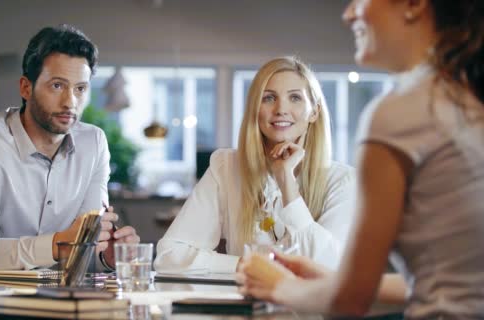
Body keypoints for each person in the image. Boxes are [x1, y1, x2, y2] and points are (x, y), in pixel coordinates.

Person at [239, 0, 484, 318]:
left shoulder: (399, 113)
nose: (348, 13)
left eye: (360, 0)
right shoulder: (464, 99)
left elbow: (349, 302)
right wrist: (333, 280)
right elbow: (452, 281)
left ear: (413, 5)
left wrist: (277, 286)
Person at [154, 56, 356, 274]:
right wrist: (246, 266)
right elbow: (169, 256)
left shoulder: (343, 181)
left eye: (295, 98)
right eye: (269, 98)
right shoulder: (226, 167)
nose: (281, 109)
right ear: (255, 109)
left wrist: (286, 182)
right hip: (241, 305)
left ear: (314, 112)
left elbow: (327, 267)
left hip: (309, 308)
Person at [0, 24, 139, 271]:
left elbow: (86, 247)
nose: (70, 102)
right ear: (26, 88)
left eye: (80, 89)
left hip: (64, 298)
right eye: (57, 85)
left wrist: (106, 258)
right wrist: (61, 243)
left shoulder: (94, 143)